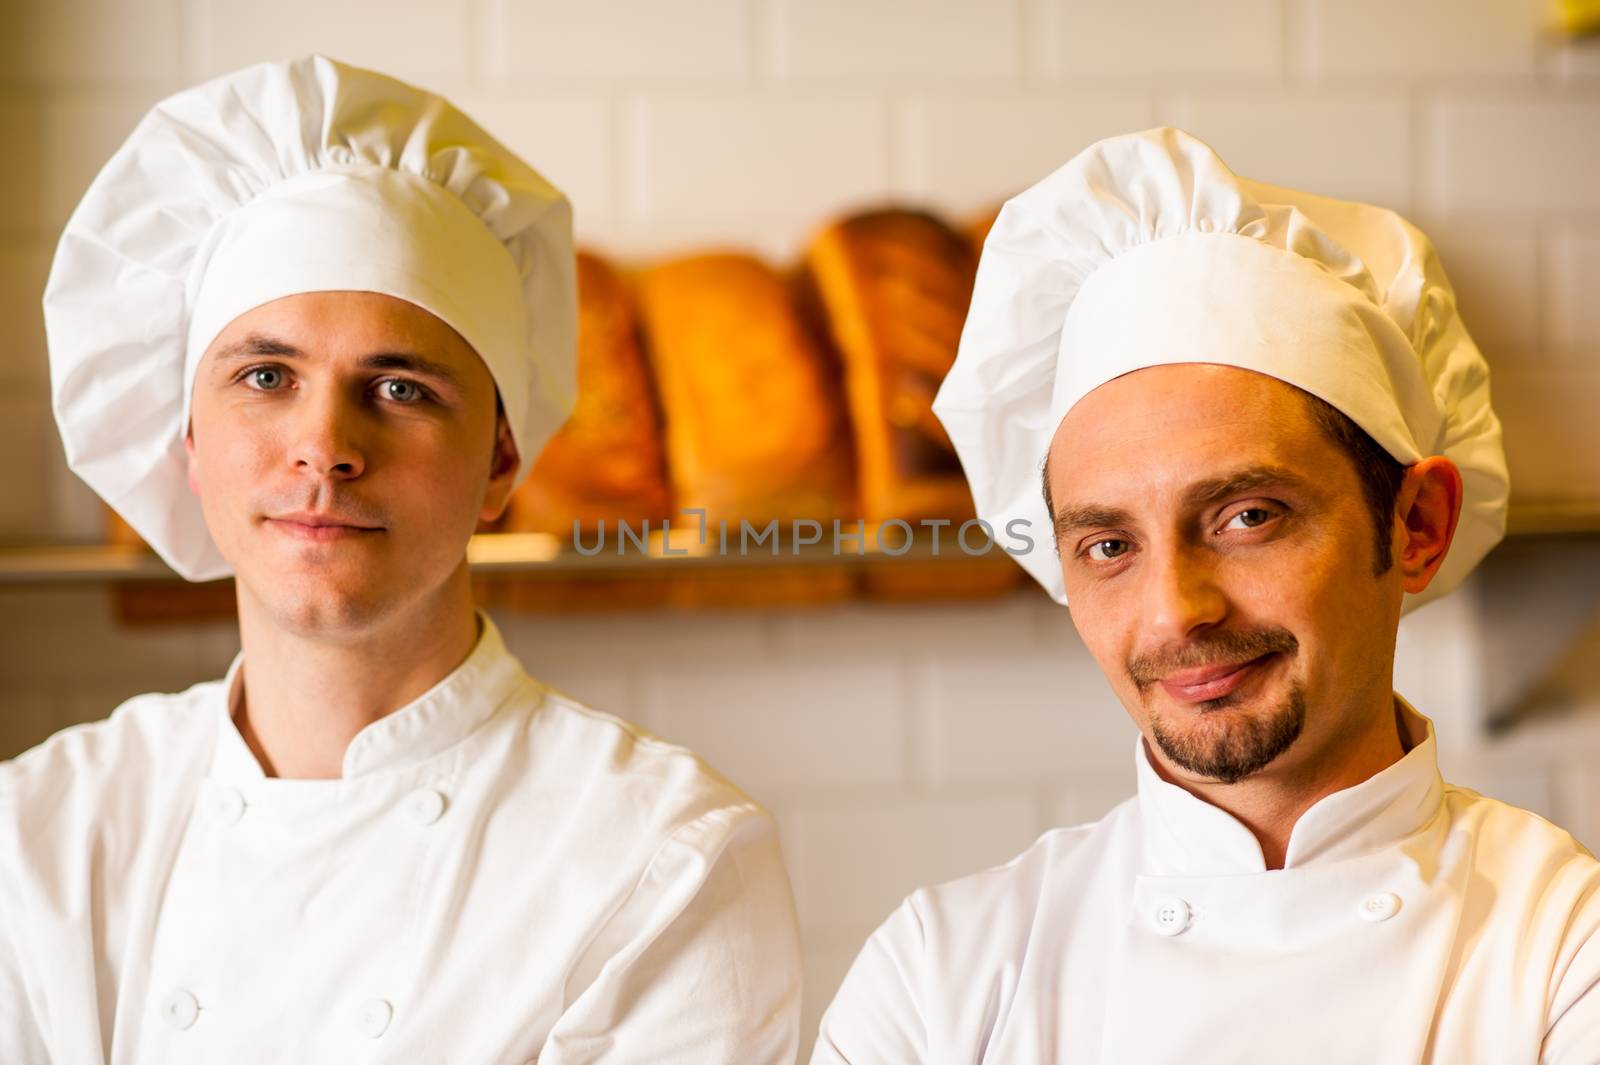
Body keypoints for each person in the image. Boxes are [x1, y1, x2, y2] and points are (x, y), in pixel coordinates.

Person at [2, 55, 801, 1063]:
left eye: (400, 389)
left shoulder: (662, 859)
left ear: (502, 461)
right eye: (264, 375)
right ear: (190, 447)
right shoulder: (40, 836)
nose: (326, 445)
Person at [811, 127, 1600, 1063]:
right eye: (1109, 544)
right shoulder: (940, 975)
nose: (1176, 609)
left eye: (1247, 517)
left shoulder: (1561, 949)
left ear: (1417, 523)